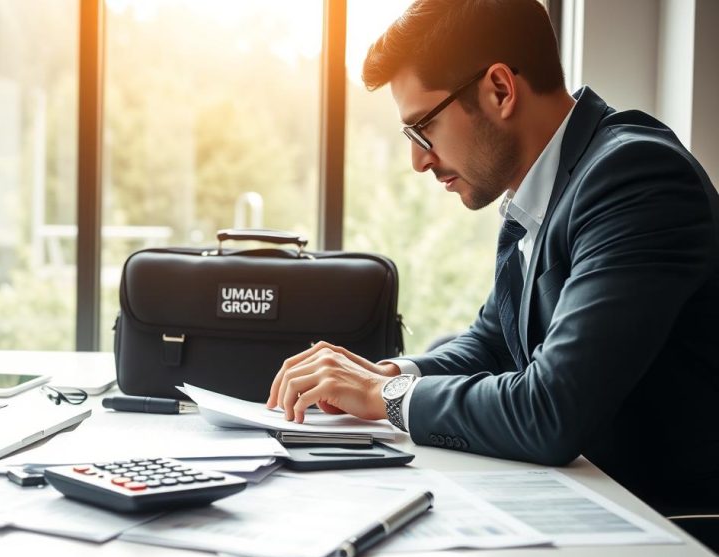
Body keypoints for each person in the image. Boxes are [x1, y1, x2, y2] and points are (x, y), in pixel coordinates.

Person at [267, 0, 719, 514]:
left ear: (500, 89)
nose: (418, 160)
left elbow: (551, 411)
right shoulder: (540, 192)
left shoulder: (637, 178)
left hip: (678, 533)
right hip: (593, 505)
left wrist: (385, 396)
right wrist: (383, 372)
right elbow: (493, 344)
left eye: (423, 129)